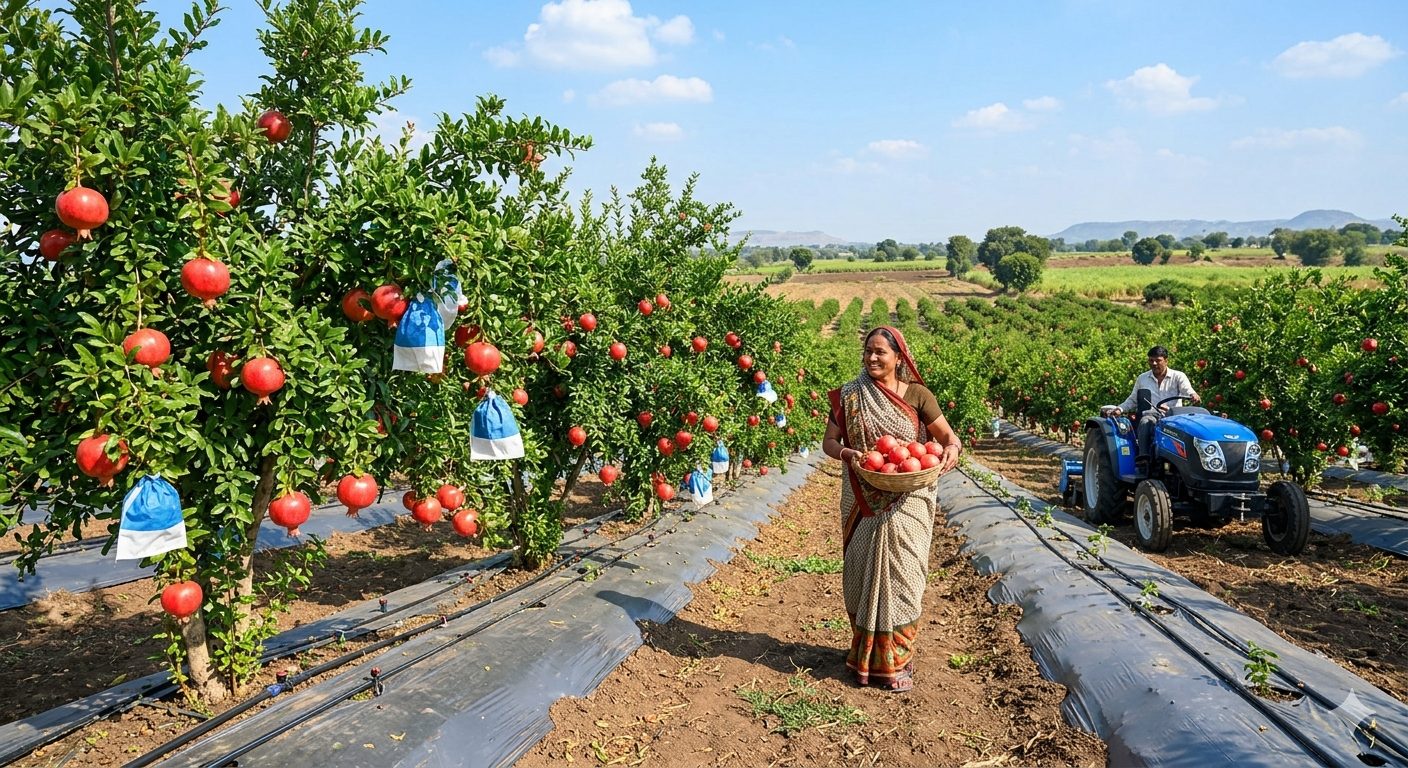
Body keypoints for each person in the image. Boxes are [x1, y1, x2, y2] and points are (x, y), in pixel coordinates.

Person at [821, 326, 962, 693]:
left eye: (880, 352)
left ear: (899, 357)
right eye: (868, 351)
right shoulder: (851, 396)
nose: (872, 358)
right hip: (861, 493)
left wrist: (950, 451)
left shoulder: (918, 395)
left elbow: (948, 438)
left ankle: (897, 659)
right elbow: (830, 442)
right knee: (860, 572)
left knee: (904, 575)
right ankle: (864, 657)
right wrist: (850, 454)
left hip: (909, 496)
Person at [1106, 346, 1200, 466]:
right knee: (1145, 422)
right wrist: (1120, 408)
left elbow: (1187, 389)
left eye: (1158, 360)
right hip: (1152, 415)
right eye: (1151, 360)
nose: (1154, 363)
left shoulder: (1178, 376)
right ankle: (1144, 457)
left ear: (1166, 360)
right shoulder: (1143, 378)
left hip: (1173, 416)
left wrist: (1193, 395)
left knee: (1189, 430)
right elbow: (1133, 399)